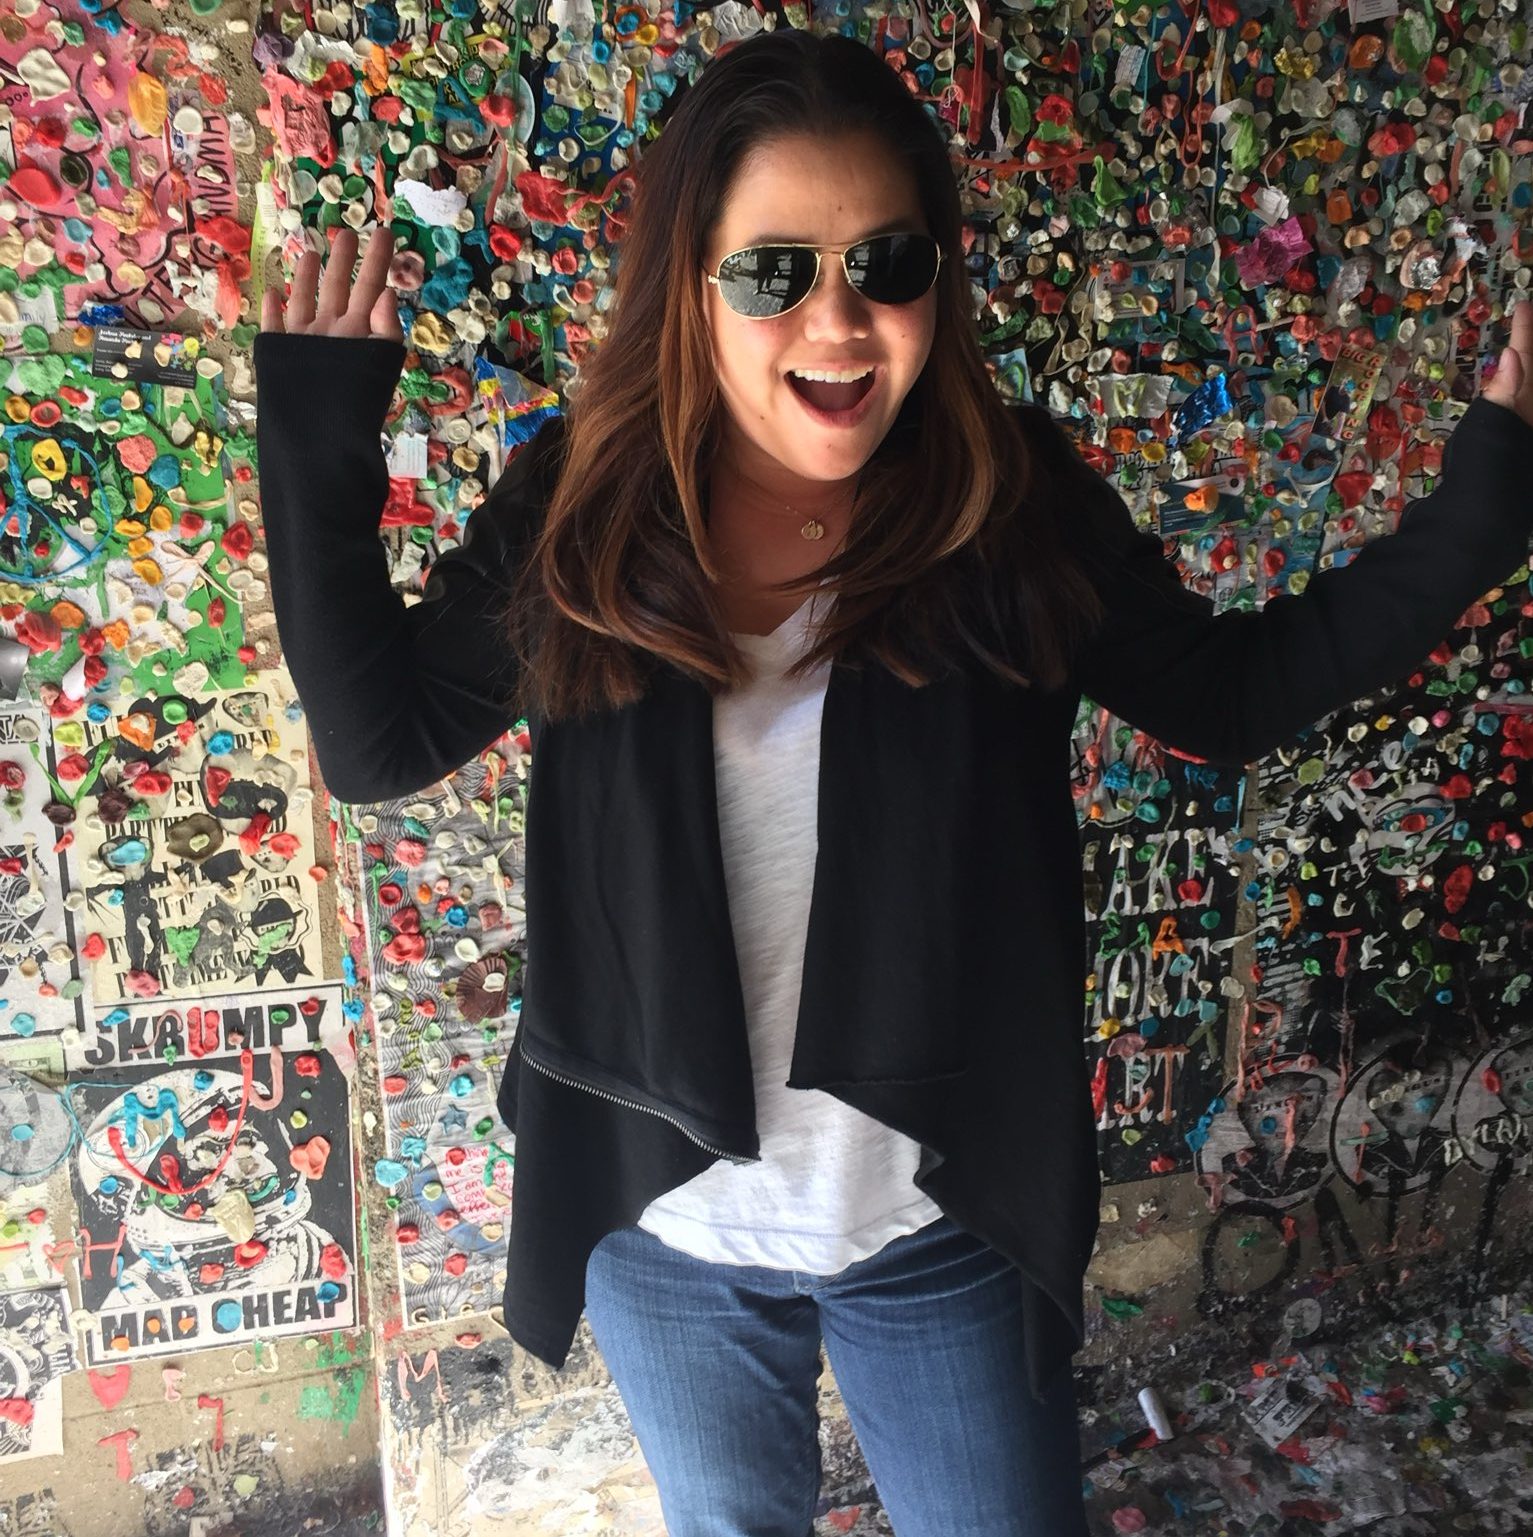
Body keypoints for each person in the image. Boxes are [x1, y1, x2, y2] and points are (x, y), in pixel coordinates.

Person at [254, 28, 1533, 1537]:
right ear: (690, 282)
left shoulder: (1010, 501)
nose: (838, 318)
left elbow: (1231, 695)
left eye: (886, 261)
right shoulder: (583, 509)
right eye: (772, 268)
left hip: (941, 1215)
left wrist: (1487, 503)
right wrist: (318, 433)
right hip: (662, 1224)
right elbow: (378, 741)